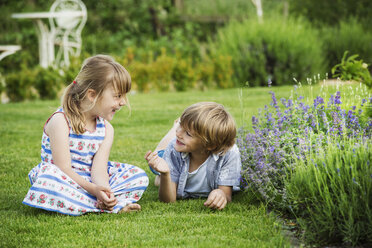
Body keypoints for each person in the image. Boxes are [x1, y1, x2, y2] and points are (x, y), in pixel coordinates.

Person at [22, 55, 149, 216]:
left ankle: (100, 203)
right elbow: (63, 168)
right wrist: (94, 190)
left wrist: (104, 191)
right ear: (92, 95)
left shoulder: (106, 129)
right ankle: (109, 206)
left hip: (90, 182)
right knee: (49, 181)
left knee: (138, 176)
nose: (123, 102)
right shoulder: (60, 121)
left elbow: (99, 170)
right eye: (117, 96)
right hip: (64, 181)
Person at [145, 102, 241, 210]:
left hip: (181, 148)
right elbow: (168, 201)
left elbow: (226, 194)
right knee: (160, 161)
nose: (179, 133)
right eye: (181, 126)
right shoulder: (174, 147)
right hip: (174, 151)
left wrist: (221, 193)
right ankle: (175, 126)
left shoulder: (229, 154)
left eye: (188, 133)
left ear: (210, 145)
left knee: (159, 181)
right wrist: (165, 173)